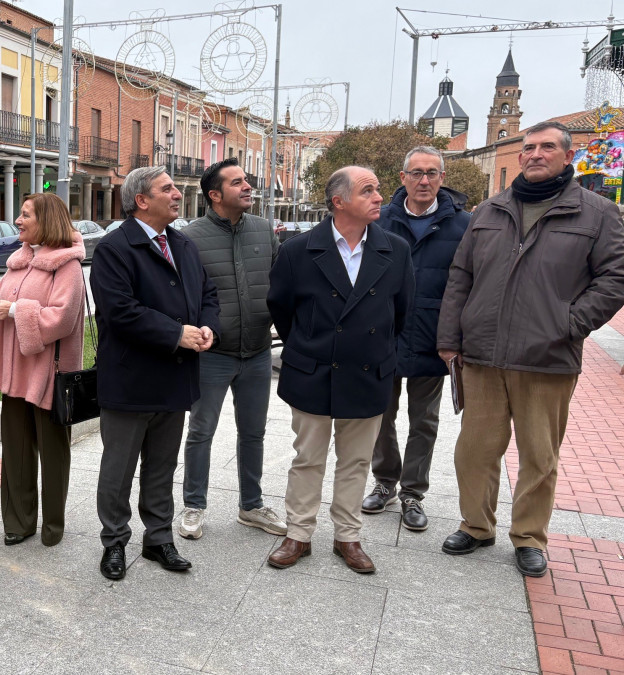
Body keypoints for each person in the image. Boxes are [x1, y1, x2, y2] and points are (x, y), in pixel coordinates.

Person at [438, 121, 624, 577]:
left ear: (566, 156)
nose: (535, 154)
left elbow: (615, 277)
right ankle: (476, 525)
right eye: (528, 148)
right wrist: (449, 338)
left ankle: (528, 536)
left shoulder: (597, 213)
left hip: (548, 358)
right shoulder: (490, 210)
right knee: (475, 450)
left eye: (546, 147)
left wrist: (570, 323)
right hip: (482, 354)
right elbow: (460, 276)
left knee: (540, 456)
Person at [266, 166, 414, 575]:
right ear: (338, 201)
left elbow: (401, 312)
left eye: (378, 188)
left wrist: (374, 347)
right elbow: (280, 307)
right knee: (307, 458)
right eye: (368, 190)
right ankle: (298, 533)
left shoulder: (395, 250)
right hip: (312, 369)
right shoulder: (298, 250)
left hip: (368, 371)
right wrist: (309, 344)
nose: (379, 196)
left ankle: (348, 536)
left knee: (356, 462)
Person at [91, 166, 220, 580]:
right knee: (119, 469)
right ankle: (114, 542)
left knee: (162, 467)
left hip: (174, 378)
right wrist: (175, 333)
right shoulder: (114, 248)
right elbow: (119, 311)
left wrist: (207, 327)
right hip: (130, 381)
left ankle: (159, 539)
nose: (177, 194)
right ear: (141, 200)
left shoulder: (182, 244)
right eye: (167, 189)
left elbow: (208, 294)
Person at [361, 146, 470, 533]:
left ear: (442, 178)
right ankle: (385, 481)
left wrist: (458, 336)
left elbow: (469, 284)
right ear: (403, 177)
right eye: (417, 173)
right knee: (380, 415)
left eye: (432, 173)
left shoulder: (463, 225)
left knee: (424, 420)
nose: (424, 180)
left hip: (433, 337)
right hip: (383, 335)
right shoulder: (378, 220)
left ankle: (413, 493)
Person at [177, 158, 285, 540]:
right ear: (215, 194)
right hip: (212, 356)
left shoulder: (263, 229)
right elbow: (185, 294)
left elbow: (279, 283)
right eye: (237, 182)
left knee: (253, 432)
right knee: (201, 431)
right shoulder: (190, 236)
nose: (247, 187)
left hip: (257, 351)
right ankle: (193, 505)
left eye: (247, 181)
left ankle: (251, 506)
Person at [0, 193, 85, 547]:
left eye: (25, 215)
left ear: (47, 220)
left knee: (54, 455)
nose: (18, 221)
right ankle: (18, 523)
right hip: (14, 373)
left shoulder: (67, 265)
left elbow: (62, 319)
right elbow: (1, 301)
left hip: (50, 375)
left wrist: (15, 310)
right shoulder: (18, 261)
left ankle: (53, 526)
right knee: (16, 452)